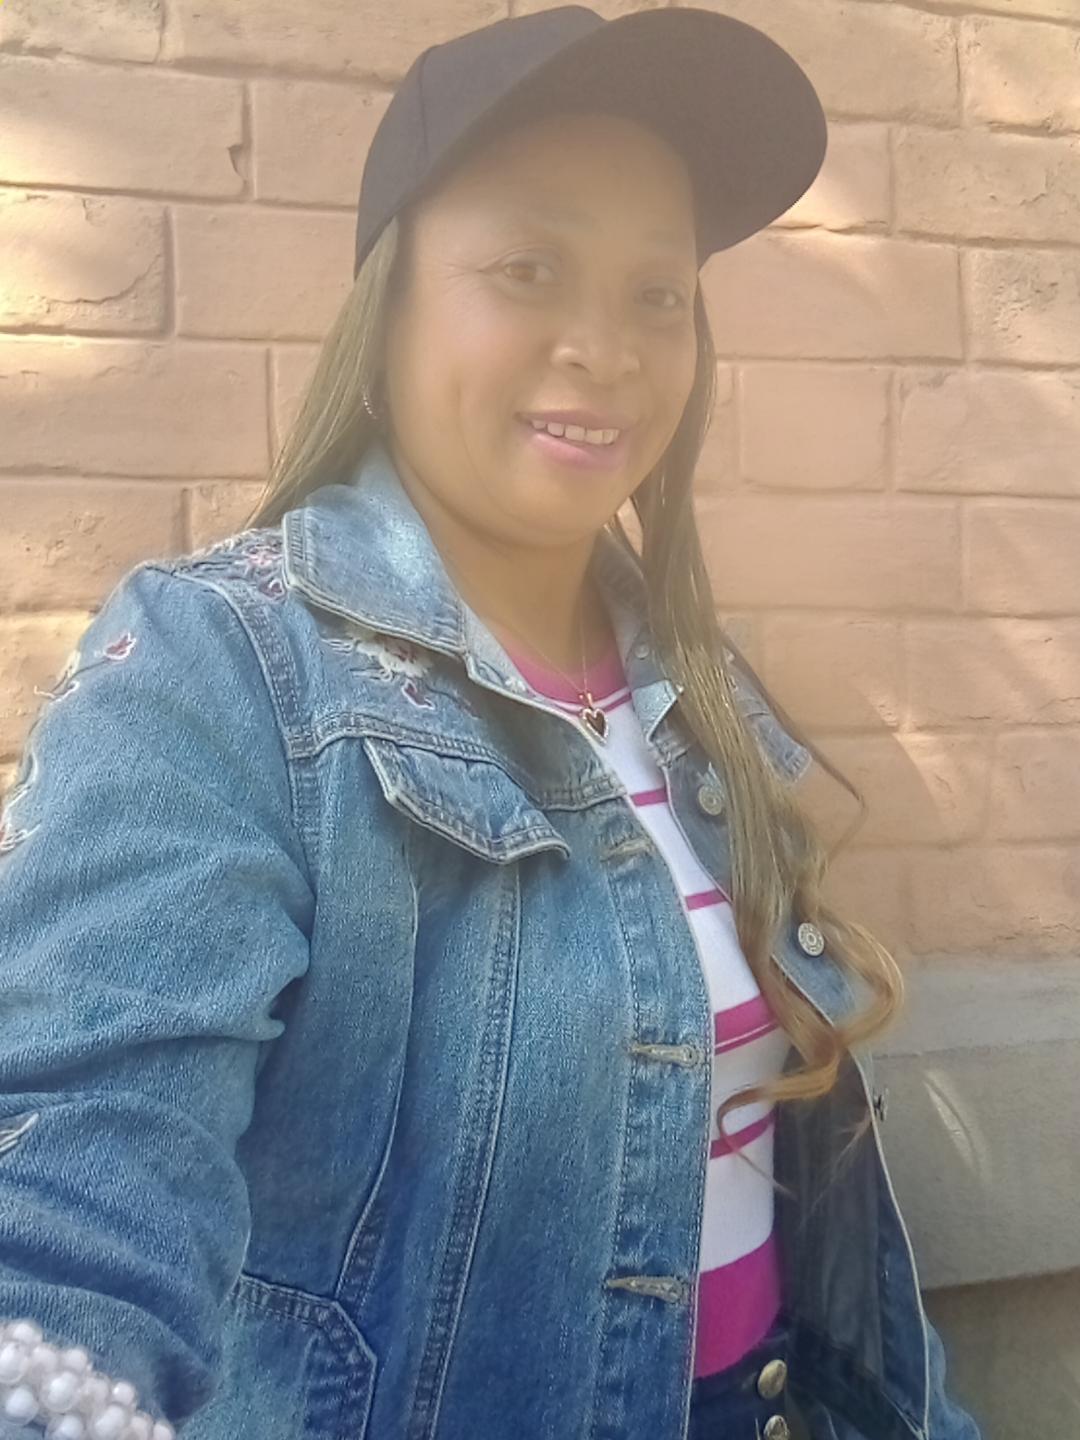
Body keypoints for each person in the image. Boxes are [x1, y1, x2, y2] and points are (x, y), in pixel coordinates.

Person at [0, 7, 984, 1439]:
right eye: (529, 269)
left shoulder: (696, 694)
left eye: (659, 292)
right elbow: (71, 1173)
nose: (608, 346)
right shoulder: (221, 672)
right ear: (387, 306)